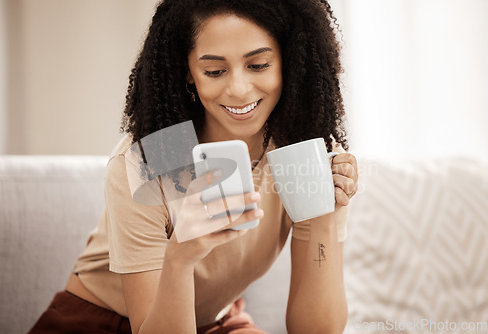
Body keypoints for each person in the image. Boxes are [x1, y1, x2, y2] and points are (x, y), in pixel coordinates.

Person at [29, 0, 358, 333]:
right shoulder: (154, 158)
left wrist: (321, 218)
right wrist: (180, 257)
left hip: (211, 321)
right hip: (101, 320)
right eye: (214, 71)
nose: (239, 90)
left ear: (288, 60)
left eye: (258, 65)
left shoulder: (306, 153)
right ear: (188, 71)